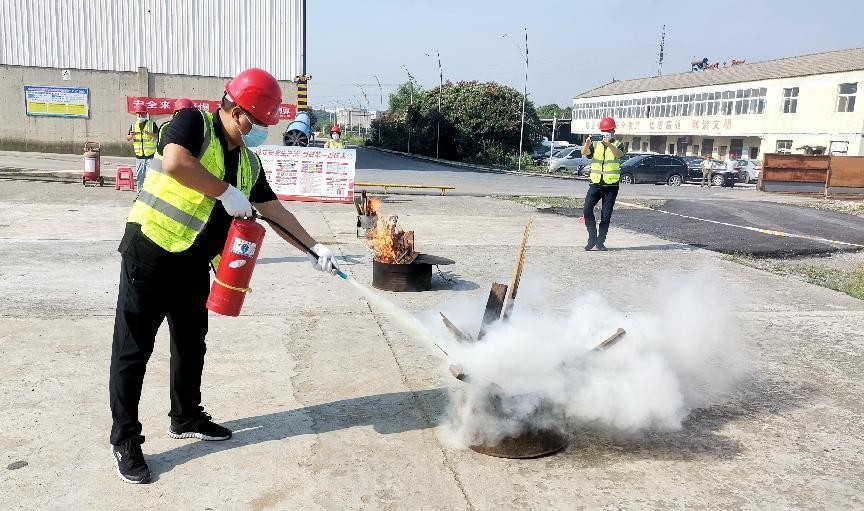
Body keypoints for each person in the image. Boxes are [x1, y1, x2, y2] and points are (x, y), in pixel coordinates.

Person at [109, 68, 340, 484]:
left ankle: (186, 415)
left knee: (191, 342)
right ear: (233, 109)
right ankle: (125, 438)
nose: (261, 131)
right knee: (133, 350)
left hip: (193, 263)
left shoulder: (249, 164)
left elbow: (275, 212)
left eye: (267, 124)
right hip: (150, 251)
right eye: (256, 121)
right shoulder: (193, 123)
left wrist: (313, 247)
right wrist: (225, 192)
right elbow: (177, 162)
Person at [581, 117, 624, 251]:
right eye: (603, 131)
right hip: (595, 184)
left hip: (611, 185)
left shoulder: (618, 143)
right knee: (587, 210)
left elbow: (619, 155)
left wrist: (609, 144)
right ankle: (592, 238)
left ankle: (600, 242)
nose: (606, 133)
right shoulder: (595, 144)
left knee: (606, 216)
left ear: (613, 130)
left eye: (608, 131)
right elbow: (584, 153)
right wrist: (587, 143)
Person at [127, 109, 159, 191]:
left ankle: (149, 194)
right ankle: (139, 194)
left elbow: (157, 136)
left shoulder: (152, 124)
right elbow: (128, 138)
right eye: (139, 114)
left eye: (142, 114)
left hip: (150, 155)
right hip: (139, 156)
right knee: (139, 176)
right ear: (136, 114)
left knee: (150, 176)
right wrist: (132, 136)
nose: (140, 115)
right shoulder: (133, 125)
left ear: (146, 114)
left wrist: (149, 133)